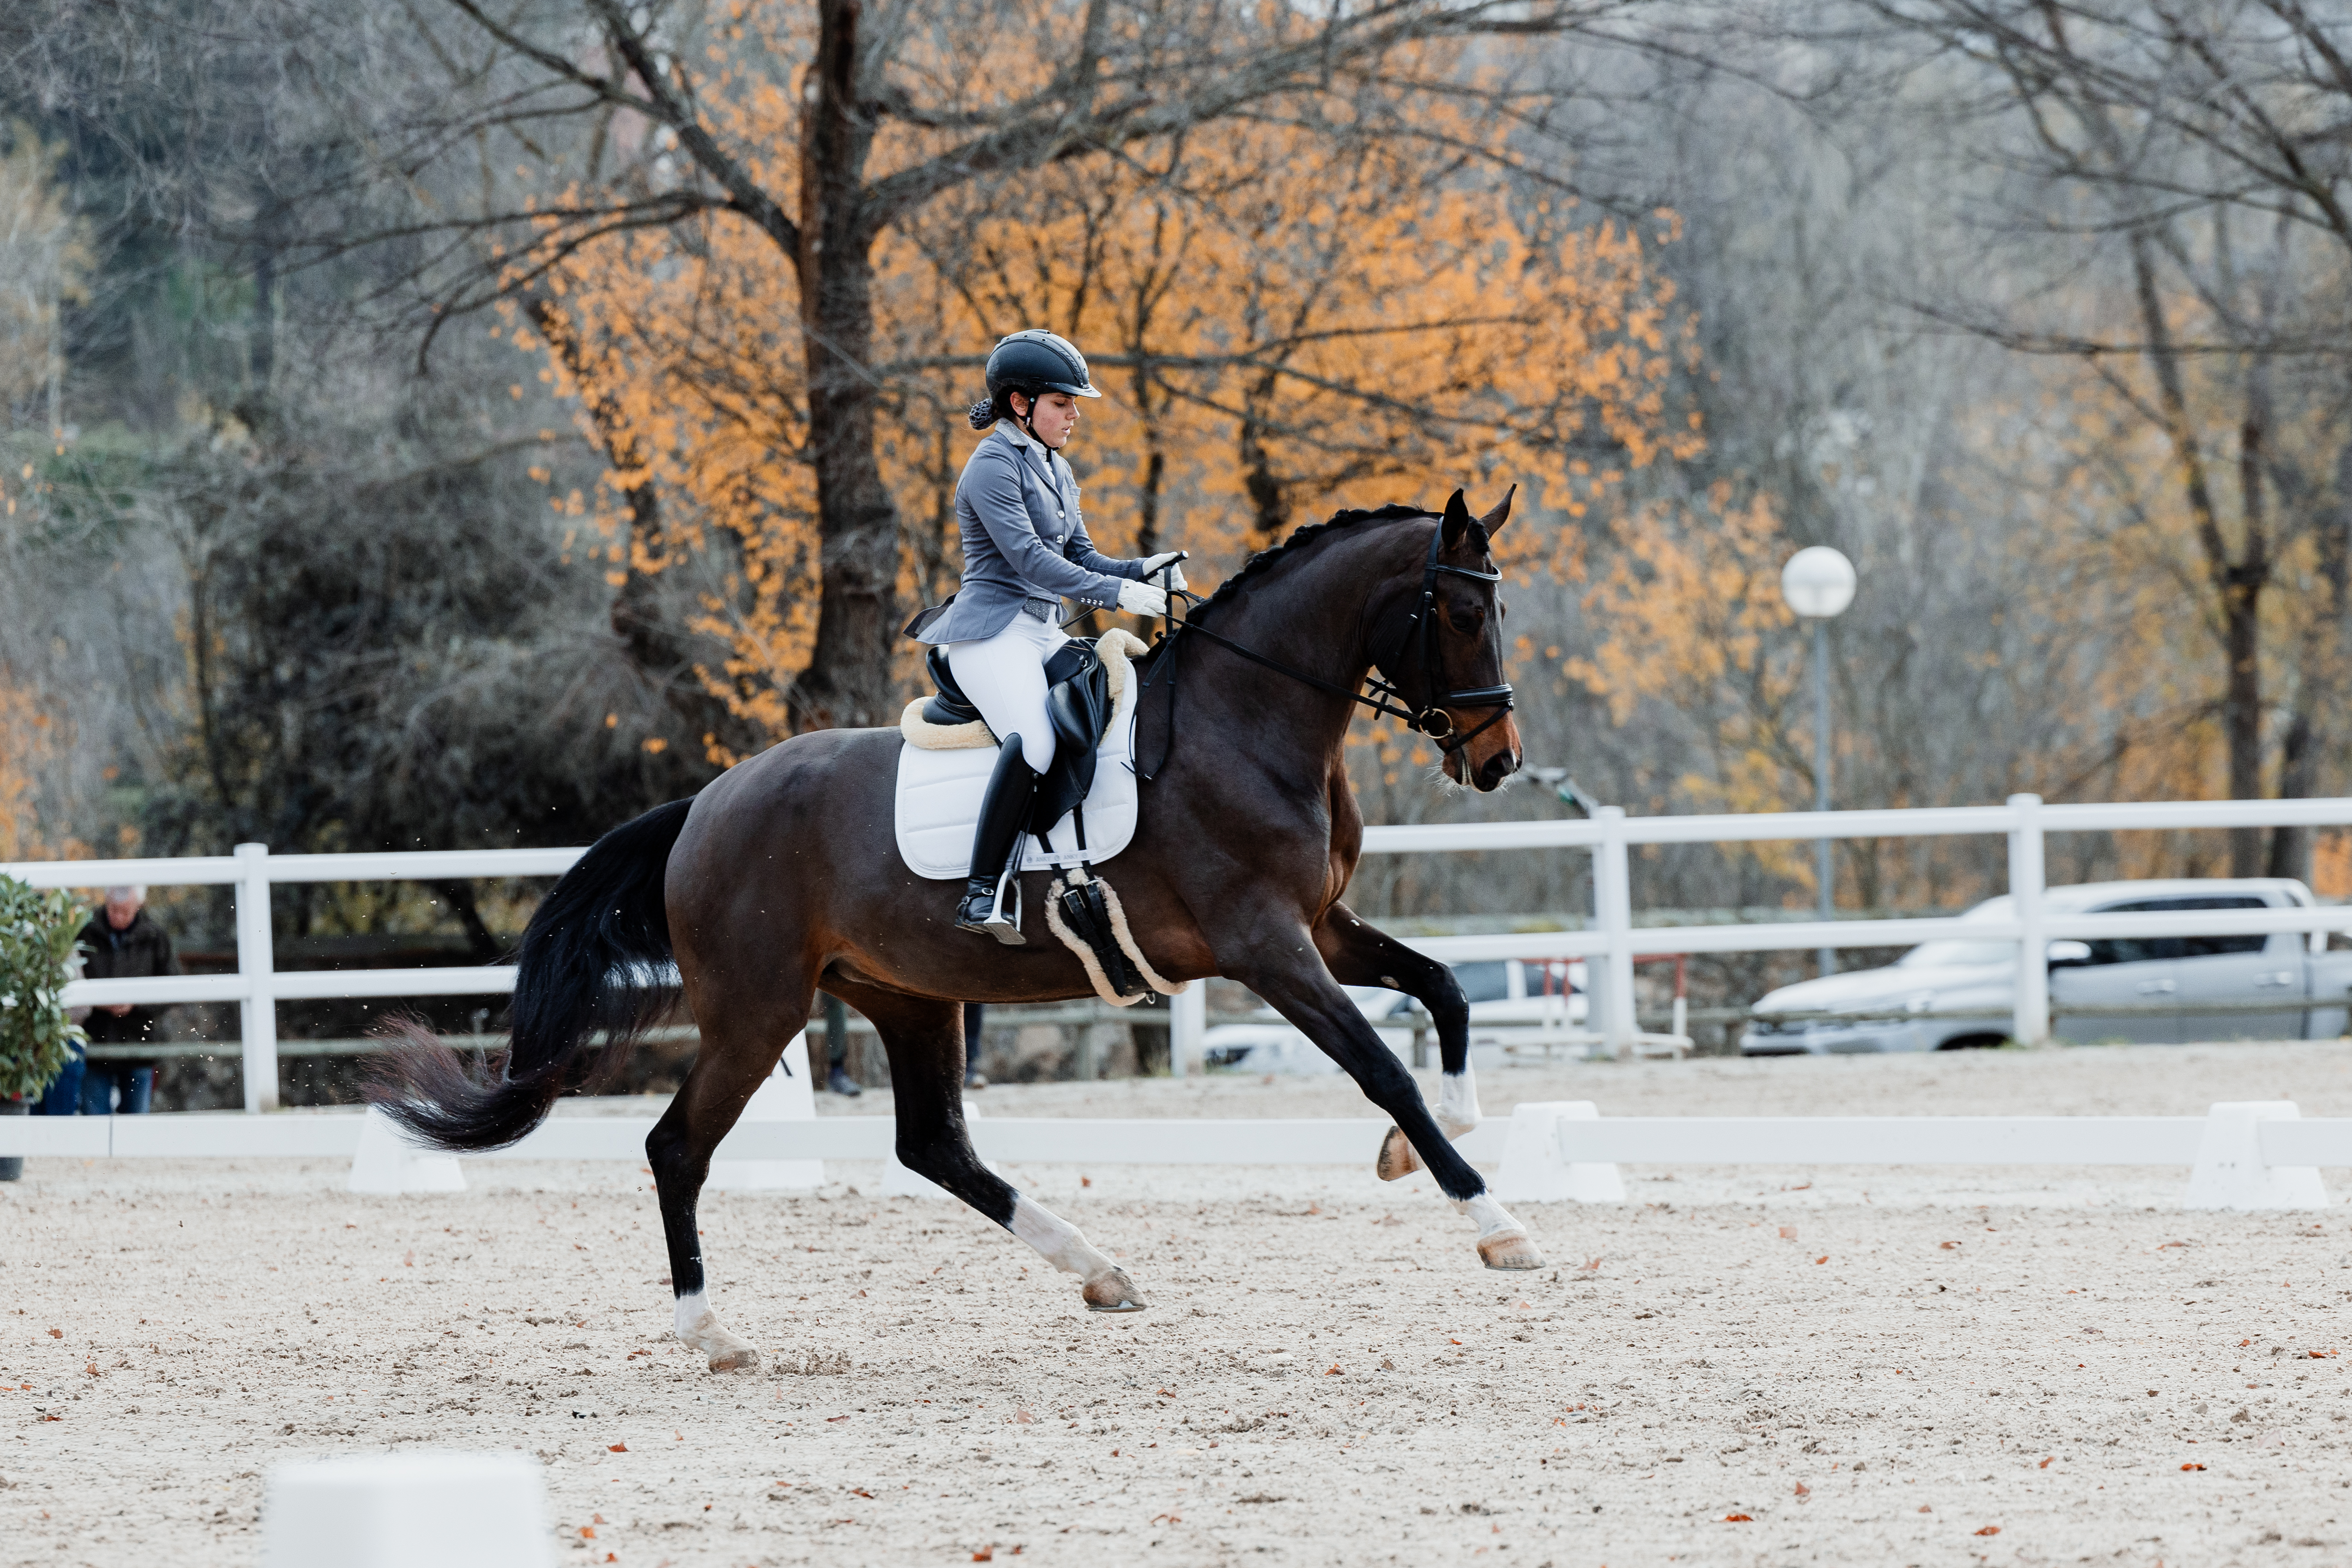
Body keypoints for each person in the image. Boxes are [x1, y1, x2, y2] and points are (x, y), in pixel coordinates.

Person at [909, 329, 1186, 941]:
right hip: (991, 634)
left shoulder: (1055, 466)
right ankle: (981, 892)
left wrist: (1142, 569)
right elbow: (1031, 561)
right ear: (1020, 403)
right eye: (1062, 403)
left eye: (1072, 404)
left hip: (1043, 632)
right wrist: (1117, 595)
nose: (1074, 415)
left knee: (1119, 705)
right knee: (1034, 738)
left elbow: (1082, 556)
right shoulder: (991, 466)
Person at [69, 885, 175, 1115]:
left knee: (136, 1123)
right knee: (95, 1120)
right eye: (113, 910)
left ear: (139, 906)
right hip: (95, 1041)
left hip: (139, 1043)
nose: (118, 917)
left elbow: (172, 986)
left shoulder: (155, 935)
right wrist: (96, 1001)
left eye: (125, 911)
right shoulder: (85, 931)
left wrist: (135, 1004)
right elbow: (72, 979)